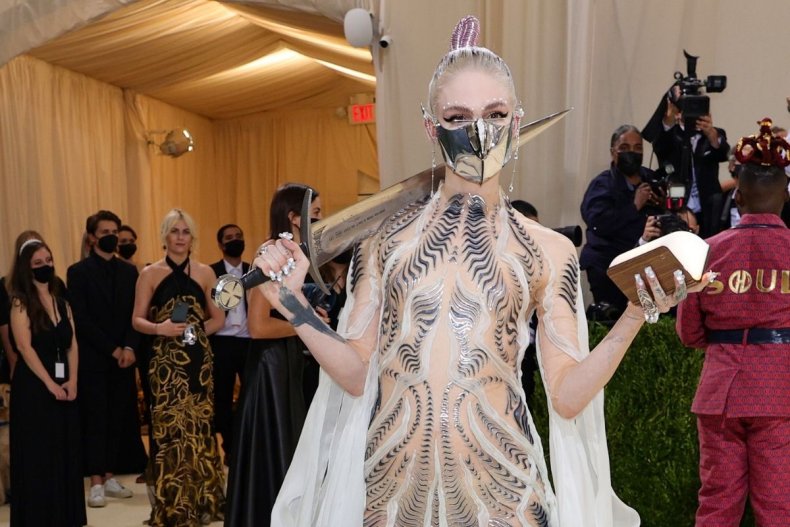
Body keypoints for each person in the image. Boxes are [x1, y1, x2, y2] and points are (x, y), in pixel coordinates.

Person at [259, 16, 701, 526]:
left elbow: (567, 395)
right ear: (431, 127)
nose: (479, 131)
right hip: (392, 498)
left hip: (505, 497)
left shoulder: (548, 250)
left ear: (516, 123)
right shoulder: (382, 244)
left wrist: (630, 317)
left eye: (494, 113)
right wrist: (293, 305)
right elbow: (357, 373)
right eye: (457, 116)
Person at [677, 119, 790, 526]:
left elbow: (689, 332)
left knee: (717, 505)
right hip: (780, 392)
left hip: (721, 391)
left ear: (737, 198)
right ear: (786, 196)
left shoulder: (707, 250)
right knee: (778, 508)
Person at [225, 184, 322, 527]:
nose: (319, 218)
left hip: (288, 361)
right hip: (270, 367)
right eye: (316, 212)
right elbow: (259, 327)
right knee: (278, 449)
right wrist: (306, 325)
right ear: (294, 217)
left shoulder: (295, 251)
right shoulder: (270, 253)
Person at [132, 208, 225, 526]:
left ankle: (203, 500)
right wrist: (160, 330)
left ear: (192, 237)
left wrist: (195, 332)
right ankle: (174, 503)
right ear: (165, 236)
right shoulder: (149, 274)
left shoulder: (206, 273)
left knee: (200, 428)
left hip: (198, 360)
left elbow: (219, 318)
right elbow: (137, 319)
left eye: (186, 232)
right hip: (164, 363)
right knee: (171, 429)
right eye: (175, 231)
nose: (181, 237)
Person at [67, 210, 145, 508]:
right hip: (94, 359)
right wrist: (113, 349)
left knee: (117, 418)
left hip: (125, 359)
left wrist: (129, 348)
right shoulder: (78, 272)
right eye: (104, 231)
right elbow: (81, 320)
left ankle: (110, 475)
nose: (111, 236)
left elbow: (135, 315)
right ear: (92, 237)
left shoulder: (130, 272)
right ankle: (96, 480)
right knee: (96, 419)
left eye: (114, 230)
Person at [9, 239, 86, 526]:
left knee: (65, 452)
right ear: (26, 269)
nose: (46, 267)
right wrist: (50, 384)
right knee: (38, 456)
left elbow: (73, 345)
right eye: (38, 263)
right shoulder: (20, 302)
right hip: (34, 390)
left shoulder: (62, 303)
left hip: (65, 388)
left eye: (48, 261)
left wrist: (73, 381)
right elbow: (24, 347)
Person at [580, 125, 661, 315]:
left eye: (637, 148)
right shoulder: (602, 184)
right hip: (608, 266)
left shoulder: (651, 179)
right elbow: (598, 223)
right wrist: (634, 206)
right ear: (613, 152)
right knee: (614, 319)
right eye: (625, 148)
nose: (631, 153)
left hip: (644, 265)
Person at [645, 86, 730, 238]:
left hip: (708, 208)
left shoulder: (713, 134)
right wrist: (669, 118)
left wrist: (710, 131)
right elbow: (660, 147)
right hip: (678, 207)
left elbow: (723, 152)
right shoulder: (671, 135)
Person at [209, 223, 250, 459]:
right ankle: (229, 445)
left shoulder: (253, 270)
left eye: (239, 236)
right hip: (222, 342)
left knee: (248, 395)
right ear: (221, 244)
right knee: (221, 397)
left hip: (248, 341)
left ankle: (244, 441)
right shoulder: (211, 271)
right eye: (230, 237)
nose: (235, 240)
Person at [0, 230, 48, 380]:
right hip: (22, 358)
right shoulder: (5, 285)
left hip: (49, 354)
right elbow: (4, 326)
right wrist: (12, 360)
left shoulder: (55, 284)